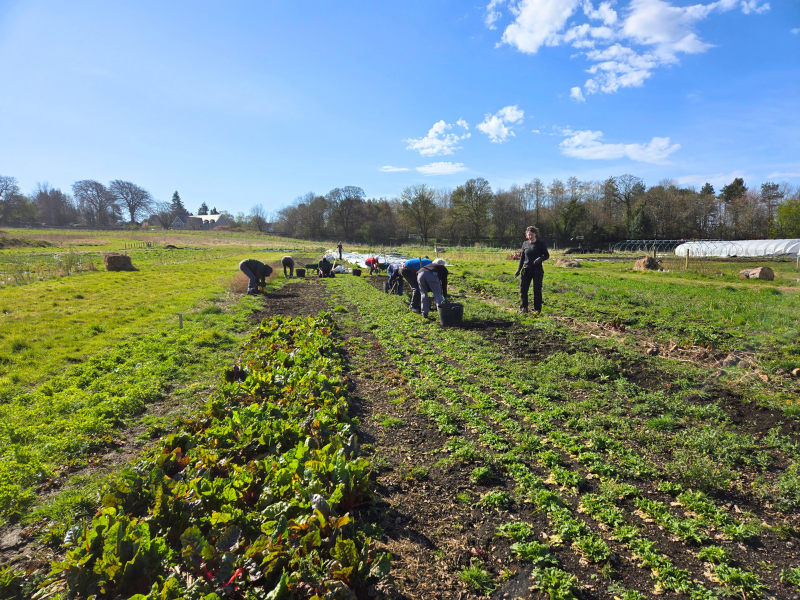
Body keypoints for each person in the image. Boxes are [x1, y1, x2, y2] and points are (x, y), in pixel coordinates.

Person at [514, 225, 549, 314]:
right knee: (523, 290)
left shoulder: (541, 244)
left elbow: (547, 255)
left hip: (537, 270)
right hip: (526, 270)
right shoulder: (525, 244)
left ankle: (537, 310)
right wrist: (518, 269)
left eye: (532, 234)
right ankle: (524, 308)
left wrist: (540, 259)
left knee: (537, 290)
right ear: (526, 235)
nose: (530, 236)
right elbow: (522, 257)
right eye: (529, 235)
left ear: (535, 234)